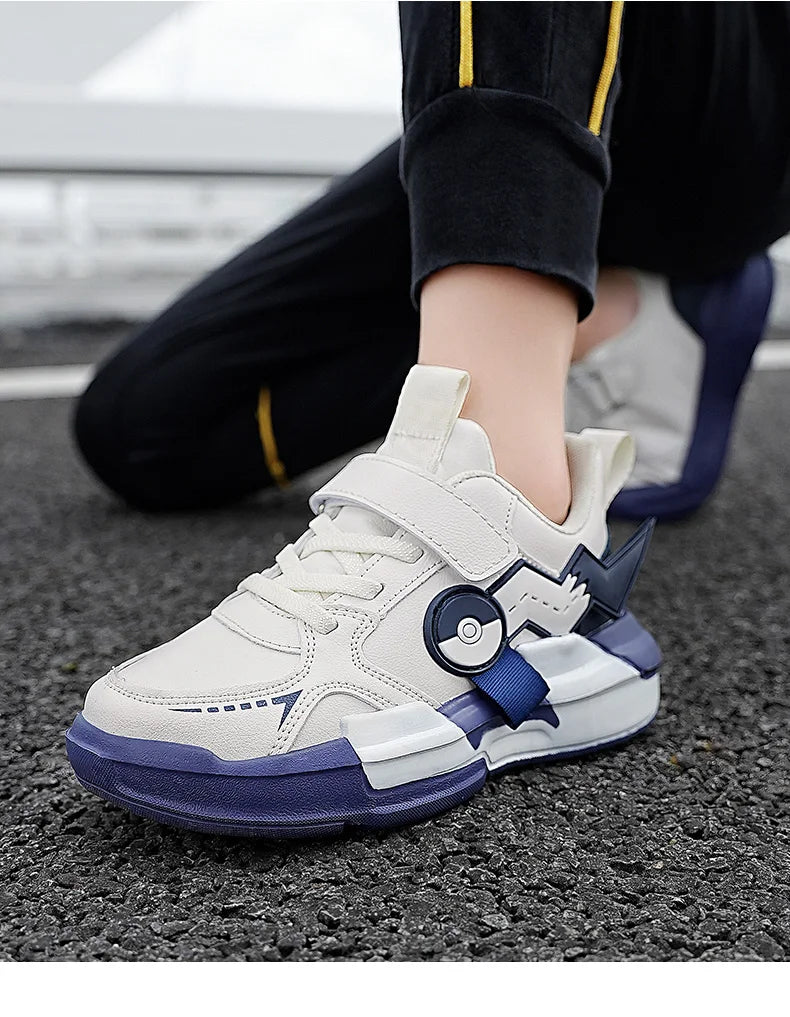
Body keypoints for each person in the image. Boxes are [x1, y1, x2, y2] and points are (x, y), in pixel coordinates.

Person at [67, 3, 790, 837]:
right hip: (547, 92)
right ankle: (620, 316)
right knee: (141, 427)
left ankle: (508, 494)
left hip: (725, 100)